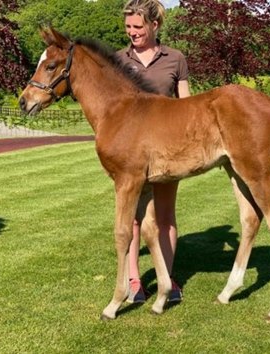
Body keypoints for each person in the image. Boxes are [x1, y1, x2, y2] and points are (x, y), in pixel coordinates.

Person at [116, 0, 191, 304]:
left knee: (164, 217)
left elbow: (186, 104)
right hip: (132, 153)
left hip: (167, 150)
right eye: (128, 27)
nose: (132, 32)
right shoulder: (118, 60)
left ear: (155, 25)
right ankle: (134, 281)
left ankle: (167, 279)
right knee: (133, 219)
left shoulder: (175, 58)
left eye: (138, 27)